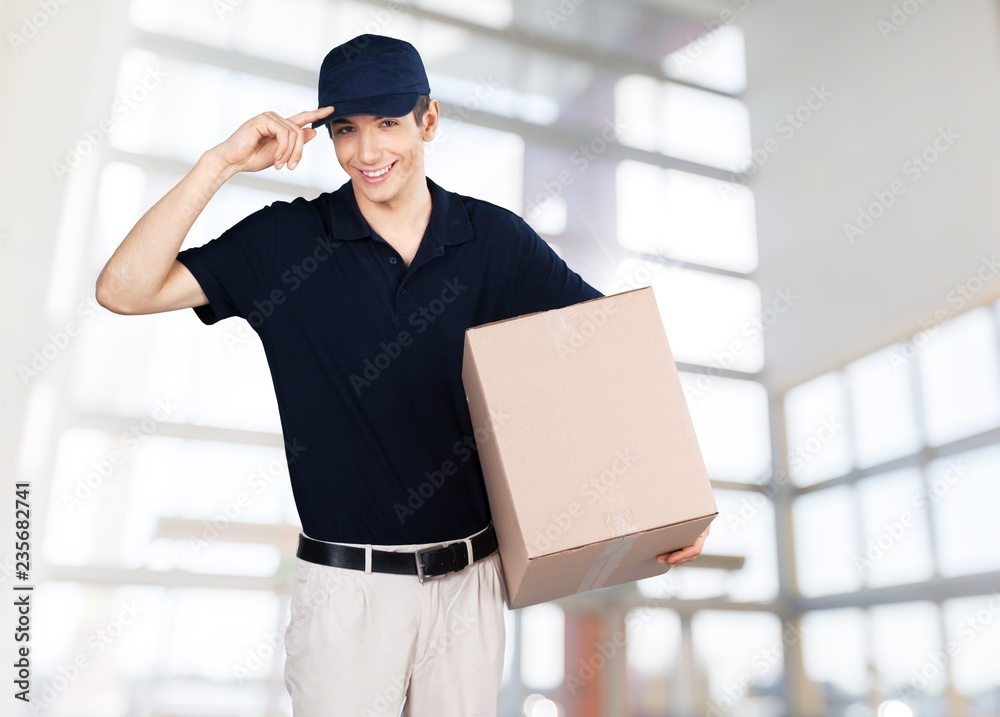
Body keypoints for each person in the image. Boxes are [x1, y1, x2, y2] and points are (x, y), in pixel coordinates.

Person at [95, 33, 708, 717]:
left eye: (387, 123)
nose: (366, 151)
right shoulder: (285, 244)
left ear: (430, 120)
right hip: (346, 594)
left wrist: (668, 498)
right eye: (347, 130)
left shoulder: (494, 242)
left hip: (470, 587)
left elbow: (613, 351)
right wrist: (221, 163)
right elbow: (123, 288)